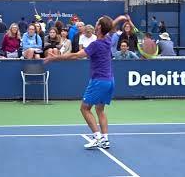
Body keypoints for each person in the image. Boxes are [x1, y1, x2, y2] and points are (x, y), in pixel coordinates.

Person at [44, 15, 129, 149]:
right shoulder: (108, 39)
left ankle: (97, 137)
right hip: (110, 80)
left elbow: (76, 55)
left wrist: (56, 58)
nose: (95, 24)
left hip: (99, 81)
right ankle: (105, 139)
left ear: (99, 27)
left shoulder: (96, 44)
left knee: (84, 108)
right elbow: (110, 27)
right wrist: (121, 18)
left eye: (97, 22)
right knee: (100, 109)